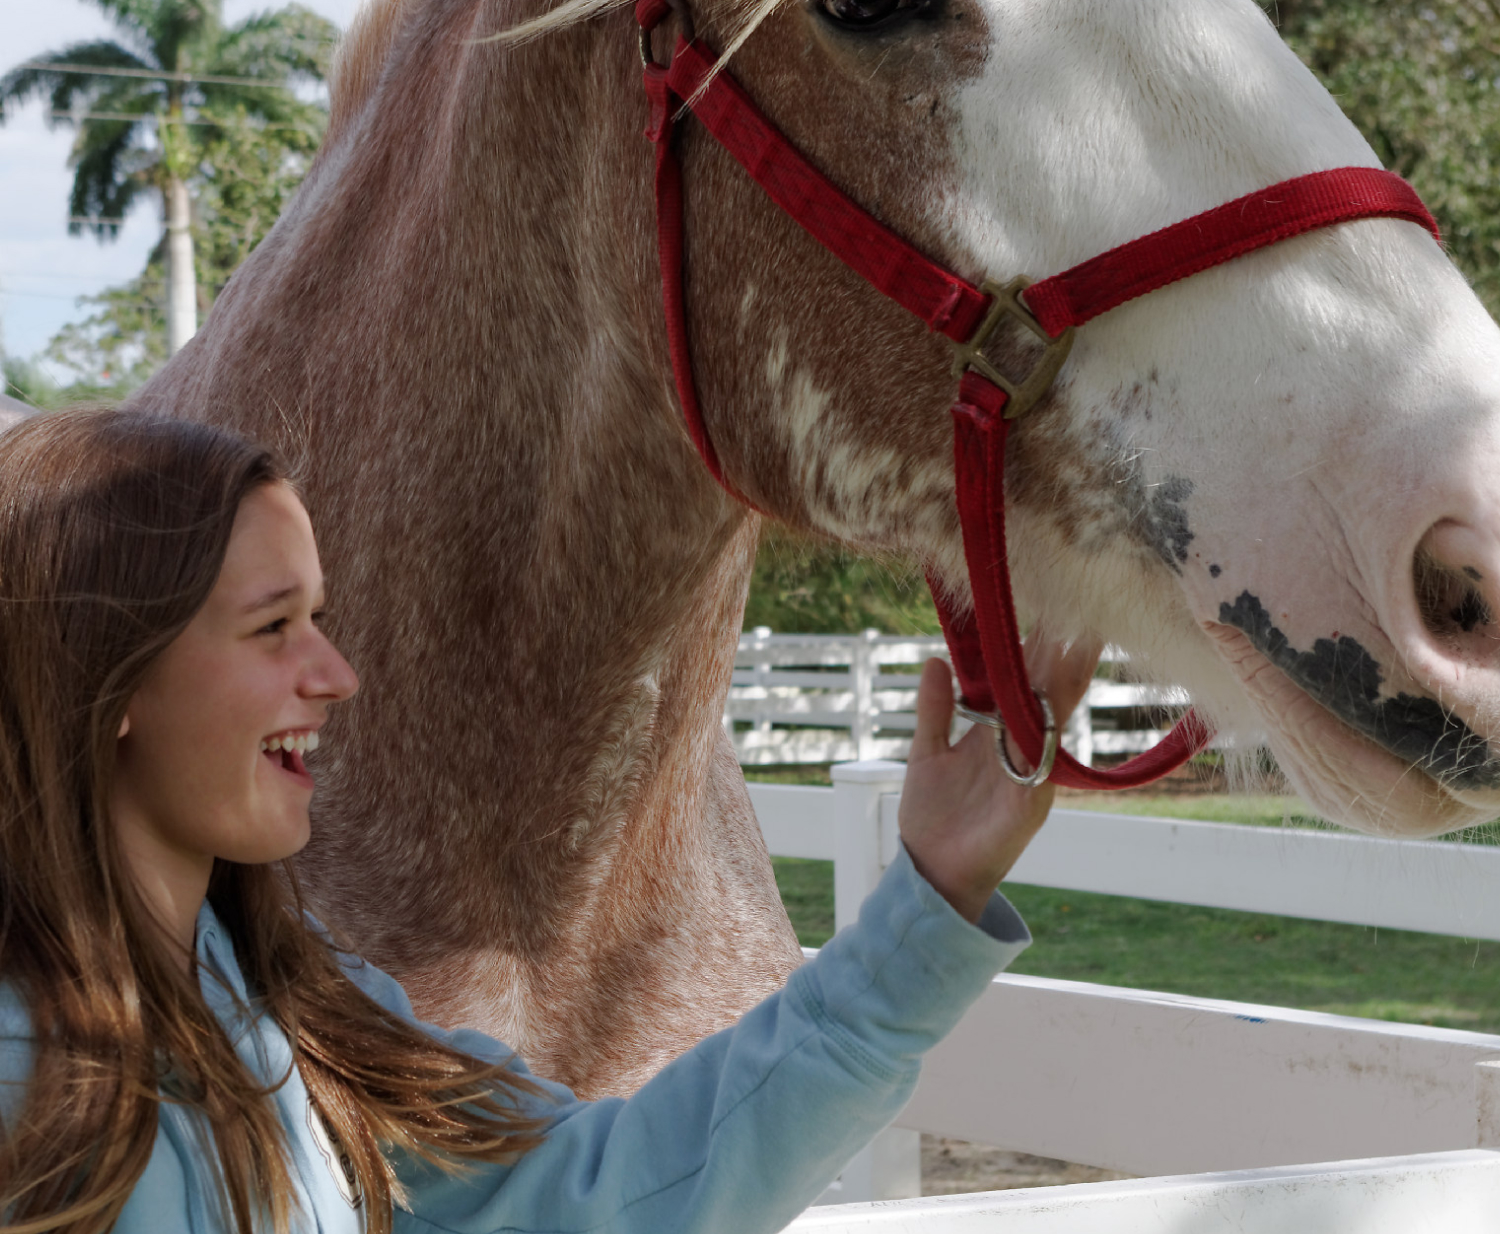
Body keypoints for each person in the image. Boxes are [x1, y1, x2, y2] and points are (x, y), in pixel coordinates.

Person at [0, 407, 1097, 1234]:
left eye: (319, 617)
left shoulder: (299, 1006)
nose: (336, 675)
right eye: (272, 627)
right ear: (108, 674)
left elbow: (611, 1192)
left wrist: (933, 891)